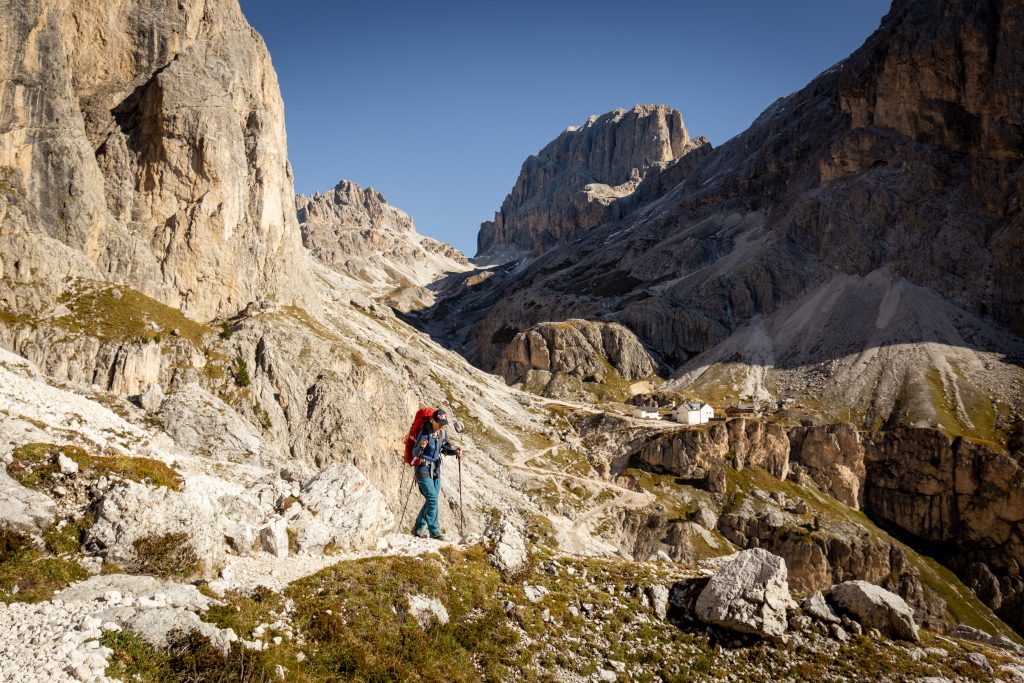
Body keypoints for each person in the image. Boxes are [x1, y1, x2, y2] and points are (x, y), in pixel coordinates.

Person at [411, 408, 461, 540]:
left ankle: (418, 528)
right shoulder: (424, 432)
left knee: (431, 500)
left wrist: (455, 452)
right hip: (422, 469)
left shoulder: (442, 433)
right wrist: (421, 446)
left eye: (443, 423)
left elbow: (445, 449)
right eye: (439, 423)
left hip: (435, 470)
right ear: (432, 420)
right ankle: (434, 531)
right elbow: (415, 453)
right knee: (433, 499)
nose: (441, 425)